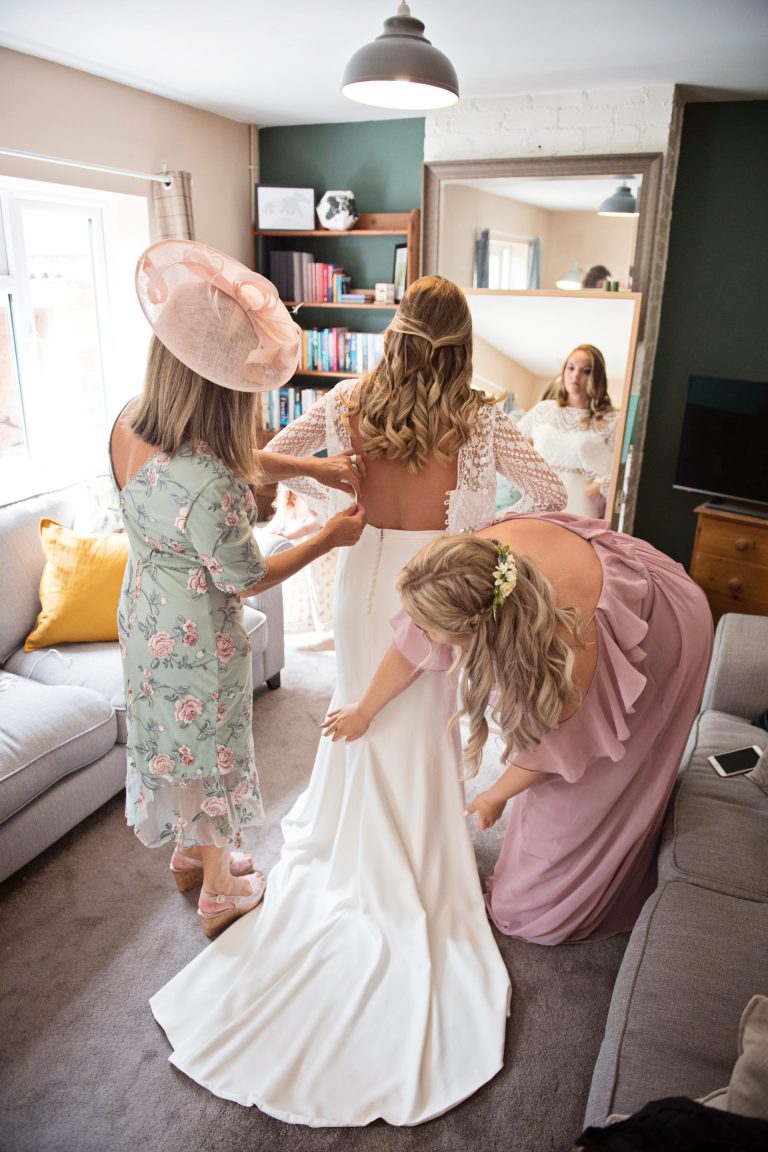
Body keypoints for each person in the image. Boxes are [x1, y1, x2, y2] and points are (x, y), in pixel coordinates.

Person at [148, 275, 567, 1126]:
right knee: (418, 727)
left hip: (365, 576)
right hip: (438, 589)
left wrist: (331, 495)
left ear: (394, 332)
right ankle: (413, 846)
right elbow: (553, 497)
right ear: (462, 343)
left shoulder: (347, 403)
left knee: (356, 711)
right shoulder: (483, 418)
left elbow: (260, 457)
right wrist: (480, 543)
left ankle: (354, 841)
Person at [110, 239, 365, 939]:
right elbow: (247, 578)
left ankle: (191, 853)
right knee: (214, 748)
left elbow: (221, 456)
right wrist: (328, 538)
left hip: (142, 617)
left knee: (173, 740)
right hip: (198, 633)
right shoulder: (215, 485)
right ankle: (220, 888)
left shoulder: (130, 421)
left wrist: (320, 467)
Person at [323, 511, 713, 947]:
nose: (419, 631)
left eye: (430, 628)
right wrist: (365, 708)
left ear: (476, 635)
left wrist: (494, 795)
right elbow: (413, 642)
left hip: (666, 629)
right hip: (607, 576)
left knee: (530, 913)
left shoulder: (569, 661)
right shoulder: (467, 567)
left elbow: (551, 753)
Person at [517, 344, 619, 517]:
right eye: (571, 368)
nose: (576, 375)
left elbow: (623, 468)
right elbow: (509, 442)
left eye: (586, 370)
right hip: (538, 500)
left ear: (597, 376)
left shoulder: (610, 420)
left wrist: (604, 484)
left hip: (580, 505)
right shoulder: (543, 410)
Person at [269, 484, 336, 643]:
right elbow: (276, 524)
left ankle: (330, 622)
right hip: (301, 554)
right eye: (290, 494)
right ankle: (310, 622)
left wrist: (287, 535)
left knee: (323, 590)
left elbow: (313, 524)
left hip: (317, 555)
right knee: (301, 591)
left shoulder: (307, 499)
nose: (293, 497)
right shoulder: (288, 508)